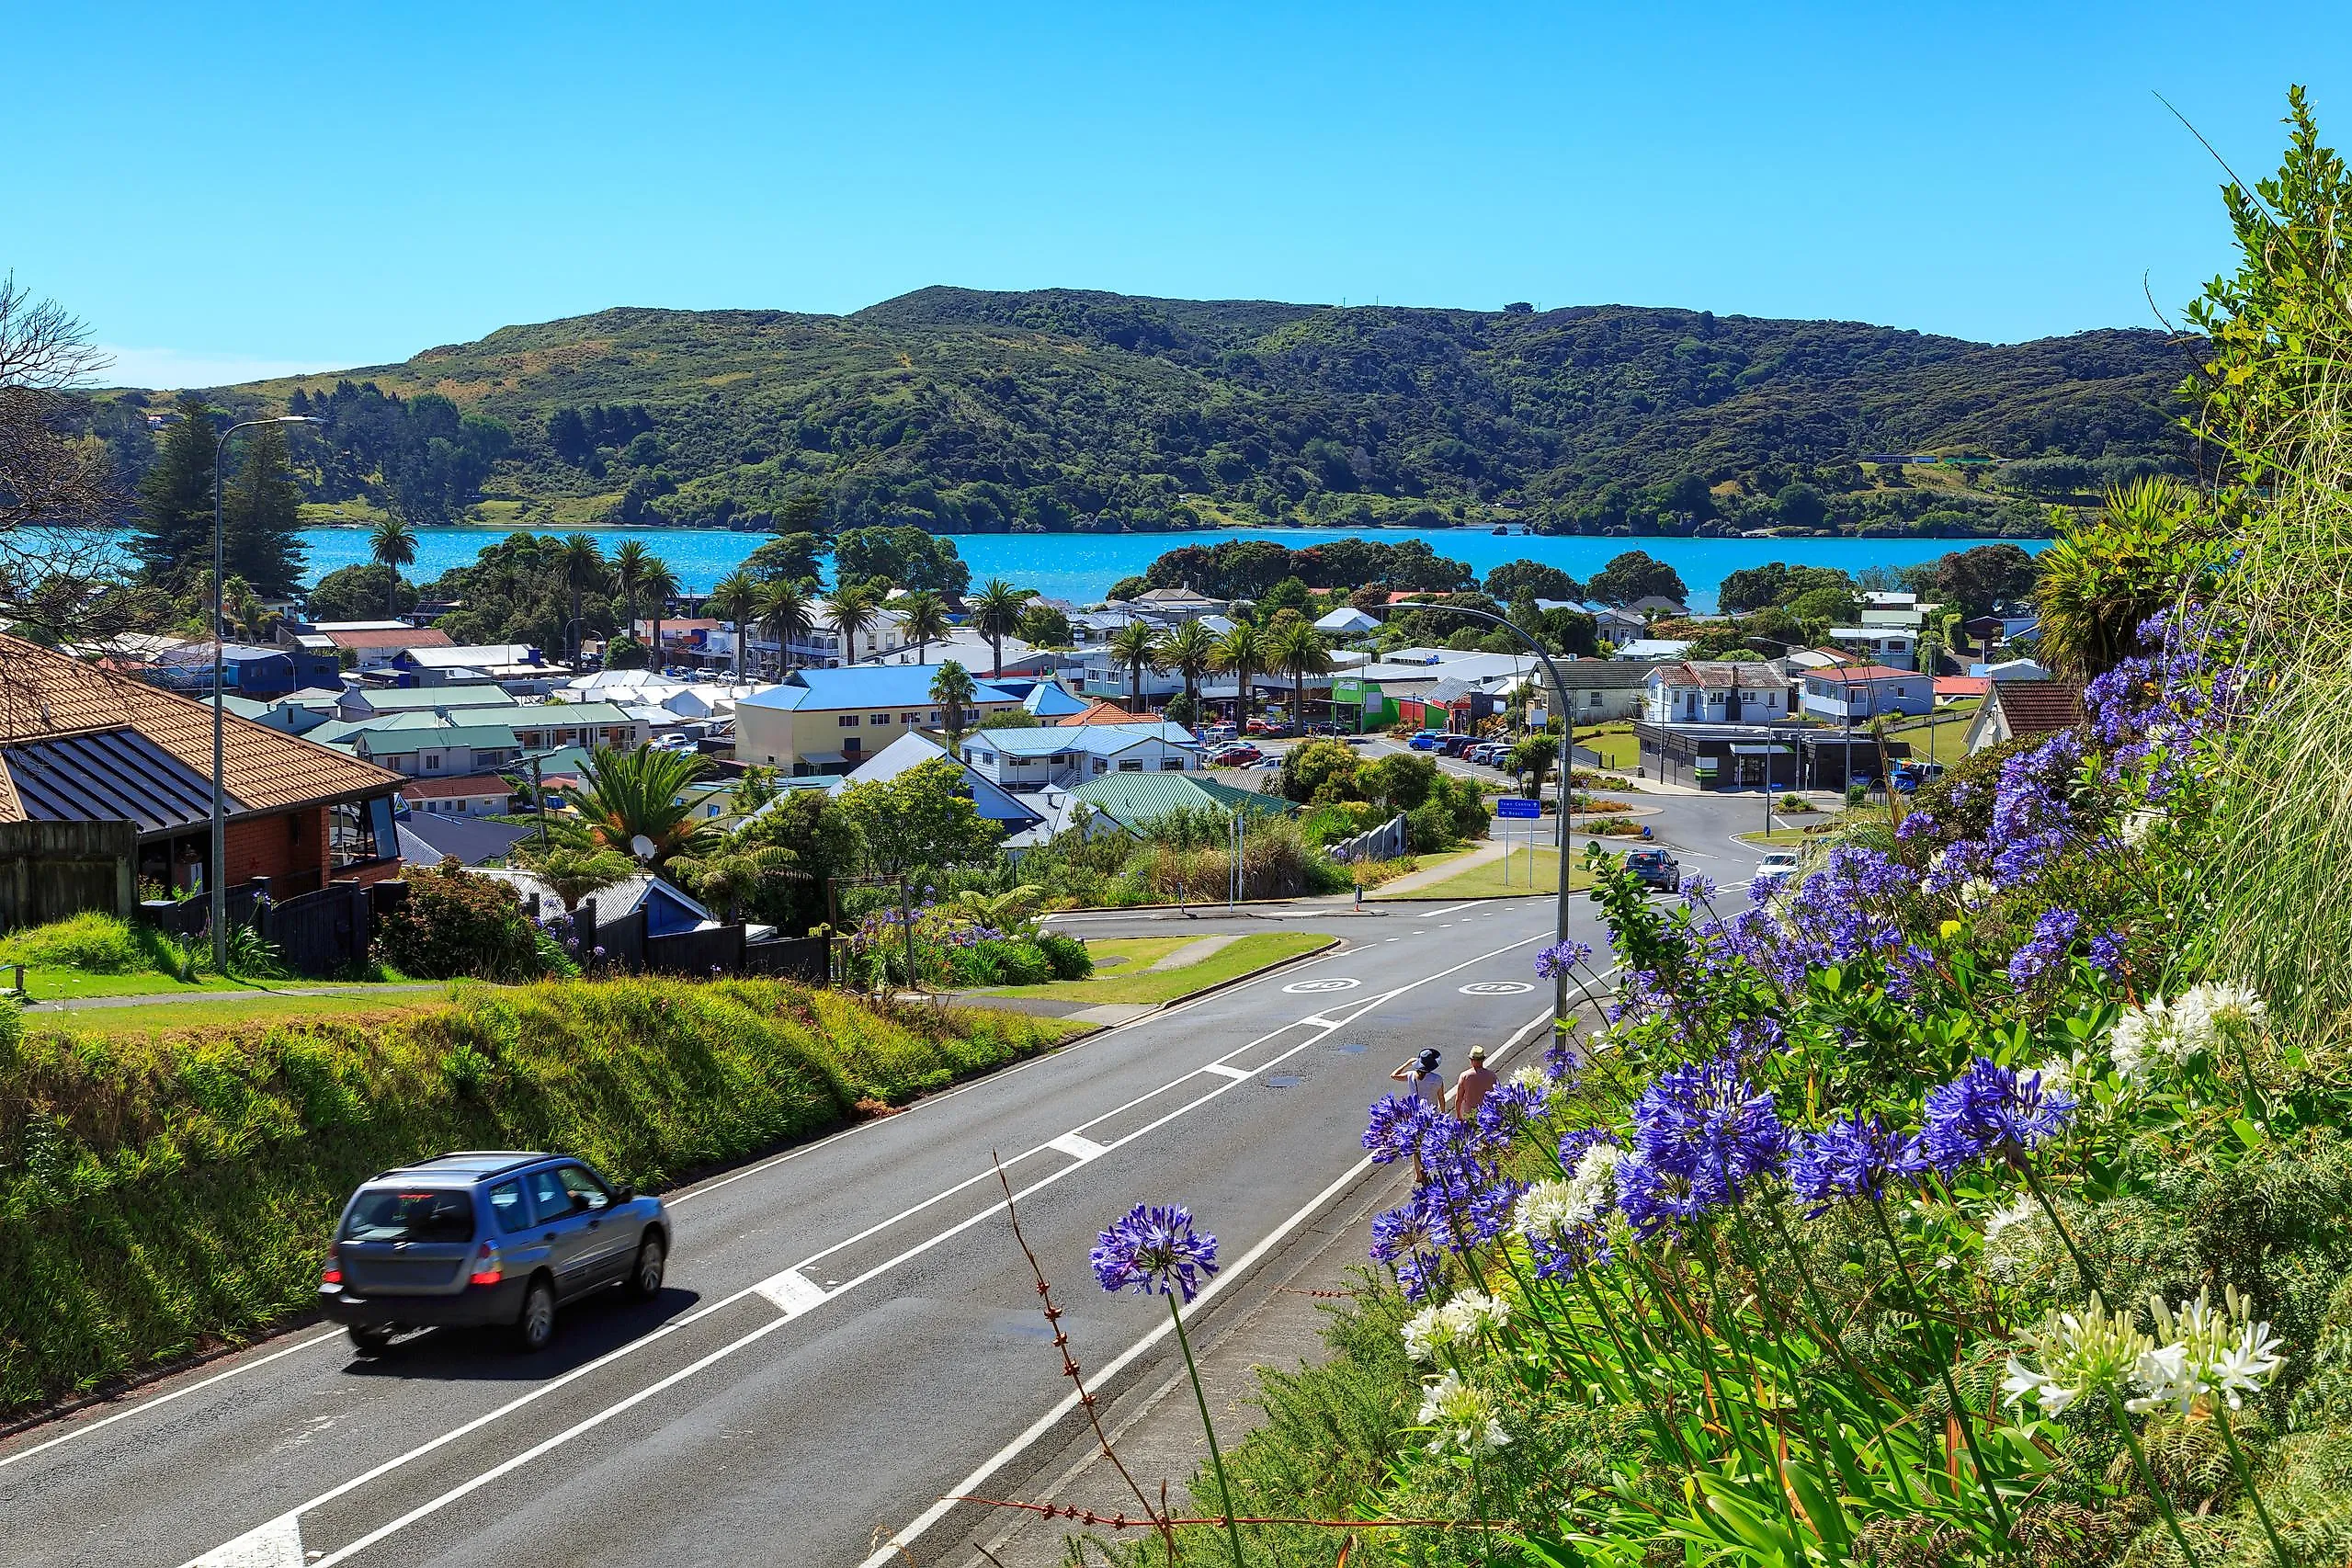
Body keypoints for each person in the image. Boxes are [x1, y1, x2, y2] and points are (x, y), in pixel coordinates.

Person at [1452, 1045, 1497, 1122]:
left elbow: (1459, 1098)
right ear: (1483, 1059)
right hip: (1487, 1114)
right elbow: (1496, 1096)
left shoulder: (1465, 1076)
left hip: (1469, 1115)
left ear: (1471, 1059)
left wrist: (1459, 1115)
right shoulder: (1492, 1075)